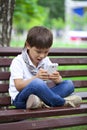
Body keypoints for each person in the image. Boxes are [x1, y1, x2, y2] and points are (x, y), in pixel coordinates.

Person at [9, 26, 82, 109]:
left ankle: (40, 102)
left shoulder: (45, 60)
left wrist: (57, 79)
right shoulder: (18, 61)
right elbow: (18, 86)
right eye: (38, 51)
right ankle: (63, 102)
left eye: (46, 52)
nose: (42, 56)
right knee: (37, 83)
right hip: (21, 100)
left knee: (69, 84)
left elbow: (59, 82)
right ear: (28, 45)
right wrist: (35, 78)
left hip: (40, 97)